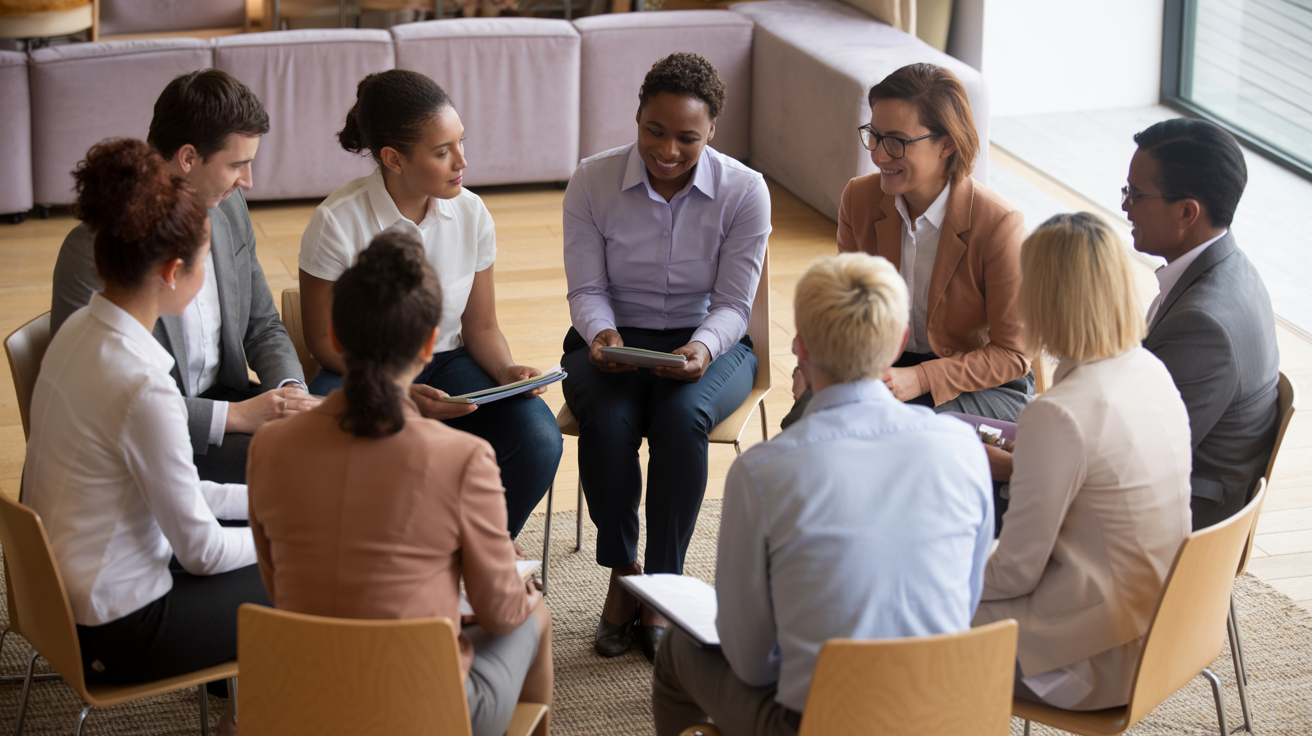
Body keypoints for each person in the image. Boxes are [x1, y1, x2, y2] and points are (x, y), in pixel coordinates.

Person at [651, 253, 993, 735]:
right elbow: (967, 602)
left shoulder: (763, 472)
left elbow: (751, 664)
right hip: (947, 716)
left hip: (821, 724)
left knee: (678, 651)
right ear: (897, 344)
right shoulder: (963, 446)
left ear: (800, 347)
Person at [248, 233, 552, 736]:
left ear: (336, 339)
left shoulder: (269, 446)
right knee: (531, 614)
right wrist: (518, 591)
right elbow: (498, 613)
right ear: (430, 344)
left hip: (299, 695)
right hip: (422, 710)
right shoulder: (462, 457)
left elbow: (277, 583)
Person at [24, 139, 269, 735]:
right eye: (204, 263)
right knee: (322, 573)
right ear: (172, 273)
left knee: (282, 537)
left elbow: (181, 494)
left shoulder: (82, 330)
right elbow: (203, 552)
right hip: (124, 625)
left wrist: (269, 505)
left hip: (59, 595)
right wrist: (289, 537)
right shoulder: (143, 387)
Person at [561, 53, 769, 661]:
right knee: (609, 418)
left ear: (712, 134)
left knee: (681, 420)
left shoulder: (743, 190)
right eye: (655, 130)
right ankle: (624, 574)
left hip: (710, 338)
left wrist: (702, 346)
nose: (668, 150)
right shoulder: (592, 181)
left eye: (688, 137)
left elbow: (734, 303)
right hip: (613, 335)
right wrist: (600, 335)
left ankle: (664, 585)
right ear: (637, 117)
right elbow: (586, 291)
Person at [298, 69, 562, 538]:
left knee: (538, 439)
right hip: (359, 367)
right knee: (324, 440)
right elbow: (322, 341)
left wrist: (504, 371)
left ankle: (479, 553)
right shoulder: (336, 221)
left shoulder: (472, 212)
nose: (462, 160)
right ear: (393, 158)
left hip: (446, 362)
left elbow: (480, 325)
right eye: (443, 152)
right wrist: (392, 388)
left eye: (460, 143)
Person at [49, 70, 316, 485]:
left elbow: (261, 324)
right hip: (151, 433)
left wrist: (291, 391)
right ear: (188, 158)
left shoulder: (228, 207)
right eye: (238, 165)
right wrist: (238, 415)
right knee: (301, 471)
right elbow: (104, 400)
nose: (248, 181)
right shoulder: (92, 249)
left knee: (336, 442)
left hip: (227, 398)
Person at [973, 213, 1192, 711]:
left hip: (1091, 658)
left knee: (901, 618)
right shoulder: (1149, 370)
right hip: (1158, 628)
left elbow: (1015, 573)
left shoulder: (1059, 415)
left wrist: (936, 570)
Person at [782, 62, 1030, 429]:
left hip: (981, 384)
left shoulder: (998, 224)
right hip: (882, 368)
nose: (879, 155)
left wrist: (921, 379)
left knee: (905, 432)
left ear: (947, 143)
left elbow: (1012, 354)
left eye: (897, 142)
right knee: (805, 425)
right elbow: (848, 311)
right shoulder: (858, 198)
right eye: (875, 136)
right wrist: (815, 367)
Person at [1125, 118, 1279, 530]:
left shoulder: (1202, 323)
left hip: (1176, 526)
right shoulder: (1233, 267)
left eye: (1136, 195)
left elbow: (1139, 458)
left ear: (1187, 212)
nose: (1124, 206)